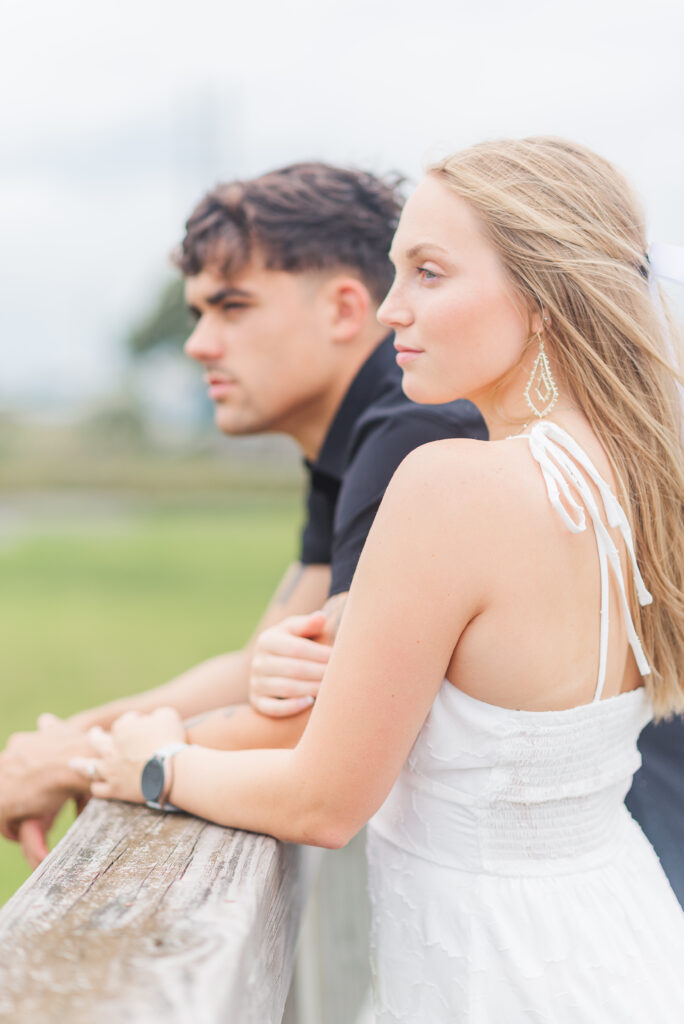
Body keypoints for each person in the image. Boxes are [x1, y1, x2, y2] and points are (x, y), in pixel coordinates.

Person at [72, 137, 684, 1021]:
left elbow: (323, 801)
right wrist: (335, 651)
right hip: (623, 940)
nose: (392, 311)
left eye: (429, 273)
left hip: (491, 977)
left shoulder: (451, 484)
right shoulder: (636, 483)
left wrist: (153, 765)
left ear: (545, 298)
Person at [0, 162, 486, 868]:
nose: (198, 343)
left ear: (346, 310)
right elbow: (260, 663)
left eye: (232, 308)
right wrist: (66, 738)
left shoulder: (410, 430)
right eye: (198, 313)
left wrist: (80, 760)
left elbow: (315, 721)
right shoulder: (353, 439)